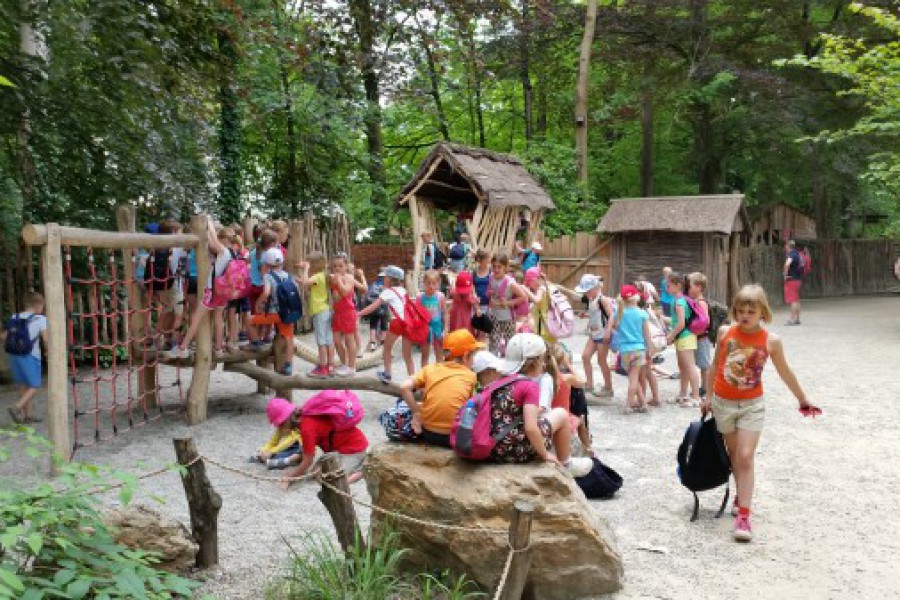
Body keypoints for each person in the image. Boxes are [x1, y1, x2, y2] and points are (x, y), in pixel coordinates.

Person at [701, 284, 820, 542]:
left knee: (745, 456)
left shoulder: (771, 341)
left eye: (751, 311)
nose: (745, 315)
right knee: (734, 455)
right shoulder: (725, 332)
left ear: (762, 312)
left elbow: (785, 372)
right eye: (741, 310)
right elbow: (714, 366)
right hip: (723, 403)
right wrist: (707, 396)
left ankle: (744, 515)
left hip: (752, 405)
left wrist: (802, 399)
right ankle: (739, 494)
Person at [487, 333, 593, 476]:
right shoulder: (529, 386)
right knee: (561, 414)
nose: (544, 364)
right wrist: (545, 454)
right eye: (542, 360)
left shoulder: (498, 381)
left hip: (493, 447)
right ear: (535, 363)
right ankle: (566, 462)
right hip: (513, 449)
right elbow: (530, 427)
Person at [398, 329, 482, 447]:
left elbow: (404, 387)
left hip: (428, 433)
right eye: (473, 357)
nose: (473, 361)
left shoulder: (430, 369)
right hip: (454, 435)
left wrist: (416, 412)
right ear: (465, 357)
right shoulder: (471, 376)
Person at [166, 221, 231, 359]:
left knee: (196, 317)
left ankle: (183, 347)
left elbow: (213, 238)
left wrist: (207, 222)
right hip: (224, 291)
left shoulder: (223, 252)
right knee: (219, 318)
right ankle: (218, 348)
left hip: (212, 289)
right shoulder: (231, 253)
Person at [278, 399, 369, 490]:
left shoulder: (306, 428)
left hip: (353, 449)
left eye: (280, 425)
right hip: (337, 449)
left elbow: (307, 461)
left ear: (286, 421)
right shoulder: (306, 415)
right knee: (317, 473)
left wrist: (290, 478)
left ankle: (364, 470)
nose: (280, 429)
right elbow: (307, 448)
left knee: (335, 482)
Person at [357, 265, 415, 383]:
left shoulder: (387, 292)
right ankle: (413, 379)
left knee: (387, 350)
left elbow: (373, 307)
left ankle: (387, 374)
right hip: (408, 323)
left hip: (397, 322)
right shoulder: (403, 290)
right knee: (407, 355)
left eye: (385, 277)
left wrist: (358, 314)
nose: (383, 280)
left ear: (390, 279)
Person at [249, 249, 296, 375]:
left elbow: (266, 293)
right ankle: (288, 365)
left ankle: (255, 342)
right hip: (287, 313)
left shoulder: (268, 277)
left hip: (273, 314)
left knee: (249, 320)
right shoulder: (288, 276)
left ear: (267, 264)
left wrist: (258, 303)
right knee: (289, 338)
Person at [4, 292, 48, 424]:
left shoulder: (15, 316)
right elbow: (45, 339)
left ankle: (27, 416)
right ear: (38, 305)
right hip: (30, 355)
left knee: (23, 385)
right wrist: (48, 352)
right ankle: (16, 407)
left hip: (14, 355)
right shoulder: (40, 319)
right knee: (35, 385)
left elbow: (5, 336)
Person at [574, 274, 614, 399]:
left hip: (602, 335)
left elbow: (611, 315)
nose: (585, 294)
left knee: (601, 361)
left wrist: (608, 331)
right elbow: (596, 314)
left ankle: (608, 388)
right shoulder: (591, 299)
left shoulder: (603, 299)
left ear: (595, 288)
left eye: (587, 291)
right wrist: (585, 316)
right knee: (585, 356)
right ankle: (590, 384)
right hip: (593, 334)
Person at [615, 285, 653, 413]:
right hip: (639, 349)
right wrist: (651, 348)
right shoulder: (642, 314)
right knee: (634, 379)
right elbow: (647, 334)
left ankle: (643, 404)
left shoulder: (619, 313)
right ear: (636, 297)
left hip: (625, 350)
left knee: (632, 378)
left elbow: (615, 327)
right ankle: (628, 405)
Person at [665, 271, 701, 407]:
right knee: (683, 367)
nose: (666, 288)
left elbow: (681, 323)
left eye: (669, 285)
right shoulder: (679, 299)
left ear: (678, 285)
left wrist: (671, 335)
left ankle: (696, 397)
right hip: (683, 337)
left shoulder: (680, 301)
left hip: (685, 337)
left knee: (690, 366)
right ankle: (683, 394)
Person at [297, 252, 334, 378]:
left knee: (321, 341)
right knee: (328, 340)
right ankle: (330, 365)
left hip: (319, 311)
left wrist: (305, 269)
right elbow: (306, 283)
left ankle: (323, 368)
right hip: (326, 310)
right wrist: (302, 276)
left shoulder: (318, 276)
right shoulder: (323, 275)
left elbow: (306, 282)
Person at [250, 397, 302, 470]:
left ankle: (284, 461)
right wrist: (263, 450)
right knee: (278, 454)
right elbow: (273, 442)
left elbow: (289, 441)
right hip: (290, 447)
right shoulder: (282, 426)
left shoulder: (298, 423)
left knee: (298, 454)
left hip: (302, 447)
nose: (281, 425)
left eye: (282, 422)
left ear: (290, 415)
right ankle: (274, 460)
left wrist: (271, 452)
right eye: (279, 423)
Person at [329, 254, 359, 376]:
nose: (337, 268)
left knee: (349, 340)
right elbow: (336, 297)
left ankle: (352, 367)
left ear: (346, 266)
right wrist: (335, 285)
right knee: (336, 340)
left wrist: (339, 281)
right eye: (335, 266)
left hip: (348, 312)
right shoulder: (333, 279)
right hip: (338, 312)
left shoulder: (349, 277)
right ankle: (344, 363)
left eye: (340, 266)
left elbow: (345, 292)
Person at [688, 272, 711, 398]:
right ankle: (703, 387)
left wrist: (696, 327)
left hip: (702, 337)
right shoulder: (694, 301)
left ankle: (706, 388)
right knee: (700, 363)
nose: (688, 287)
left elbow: (706, 320)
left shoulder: (701, 302)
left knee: (704, 364)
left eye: (690, 285)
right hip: (696, 337)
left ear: (699, 287)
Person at [418, 270, 449, 368]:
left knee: (439, 353)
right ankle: (423, 375)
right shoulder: (420, 297)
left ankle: (439, 375)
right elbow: (416, 315)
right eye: (428, 283)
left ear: (438, 284)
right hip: (425, 327)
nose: (431, 286)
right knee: (425, 354)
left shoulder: (440, 296)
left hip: (437, 327)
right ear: (424, 283)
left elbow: (445, 313)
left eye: (434, 283)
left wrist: (446, 329)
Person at [448, 270, 481, 336]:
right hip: (460, 321)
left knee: (461, 337)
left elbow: (476, 307)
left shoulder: (468, 296)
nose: (463, 293)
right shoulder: (464, 295)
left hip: (462, 322)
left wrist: (477, 310)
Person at [364, 266, 388, 352]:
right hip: (383, 309)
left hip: (373, 308)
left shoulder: (373, 284)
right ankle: (383, 342)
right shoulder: (386, 286)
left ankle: (372, 343)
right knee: (384, 325)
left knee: (373, 325)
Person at [783, 240, 803, 325]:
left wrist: (785, 274)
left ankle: (792, 319)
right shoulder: (798, 254)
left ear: (788, 246)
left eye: (785, 246)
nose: (784, 248)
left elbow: (787, 264)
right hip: (798, 279)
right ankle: (797, 319)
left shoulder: (791, 255)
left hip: (791, 280)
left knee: (793, 300)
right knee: (797, 299)